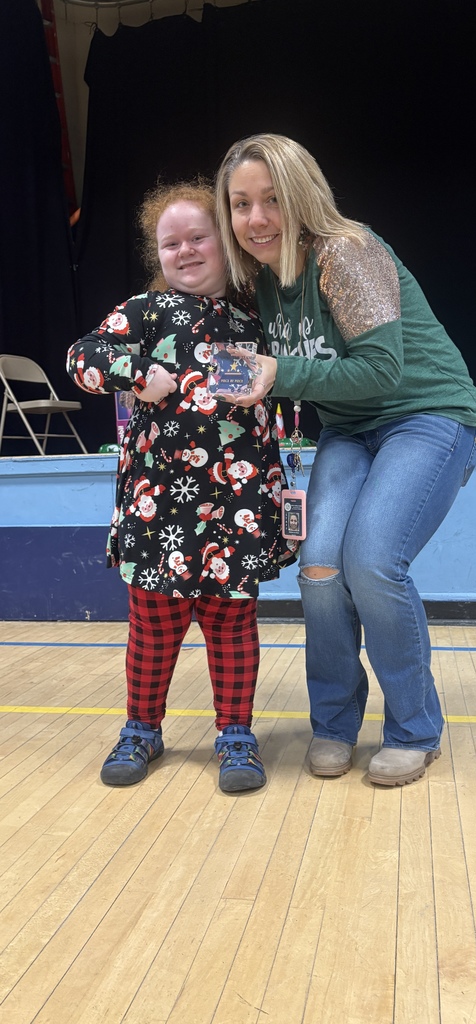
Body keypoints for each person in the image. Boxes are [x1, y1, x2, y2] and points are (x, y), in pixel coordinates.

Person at [215, 134, 476, 787]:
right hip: (350, 431)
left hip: (426, 416)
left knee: (371, 563)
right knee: (319, 567)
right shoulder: (262, 278)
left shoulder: (346, 252)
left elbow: (381, 369)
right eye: (240, 203)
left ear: (301, 196)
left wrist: (280, 372)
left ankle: (416, 730)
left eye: (271, 200)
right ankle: (334, 725)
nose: (255, 219)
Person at [66, 180, 297, 793]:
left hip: (237, 511)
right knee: (153, 630)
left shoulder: (259, 318)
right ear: (158, 255)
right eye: (172, 244)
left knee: (232, 628)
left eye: (199, 238)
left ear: (226, 242)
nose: (186, 251)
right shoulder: (144, 312)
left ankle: (236, 735)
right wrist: (139, 373)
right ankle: (141, 728)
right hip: (156, 513)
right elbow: (81, 356)